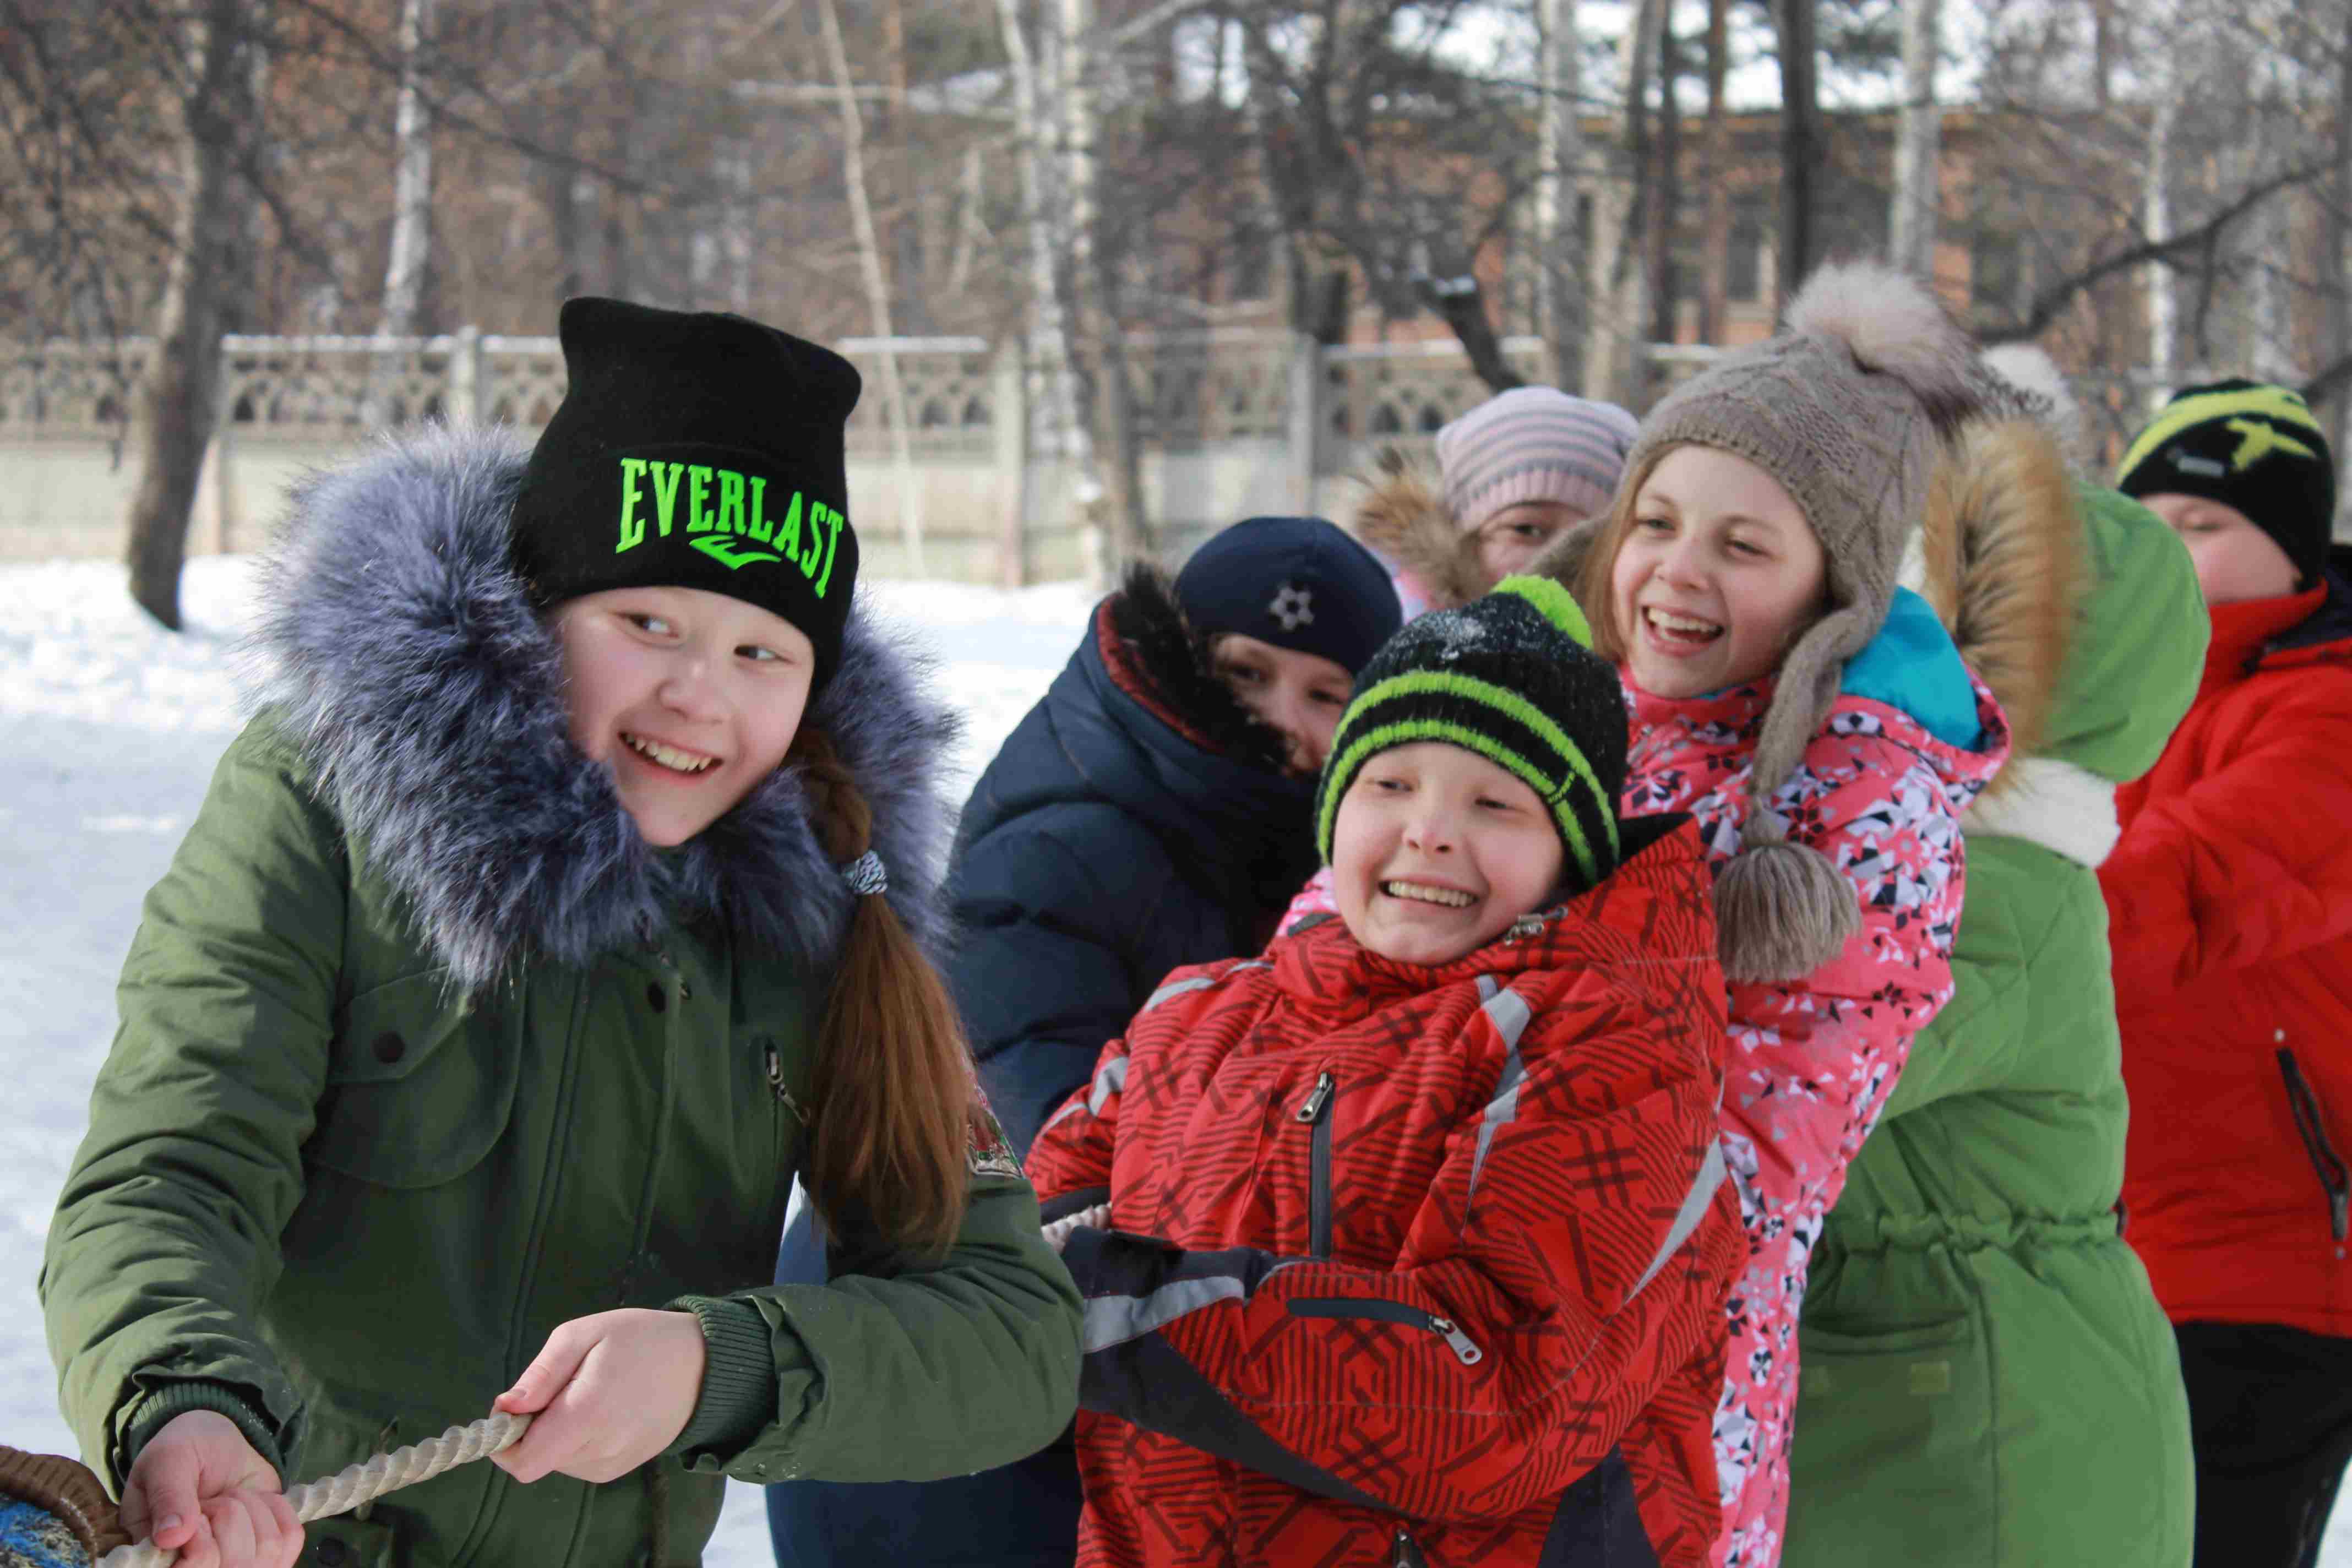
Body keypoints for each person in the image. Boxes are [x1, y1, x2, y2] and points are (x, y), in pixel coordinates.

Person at [39, 298, 1082, 1568]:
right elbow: (171, 1171)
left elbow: (1011, 1329)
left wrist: (716, 1367)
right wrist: (179, 1399)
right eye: (649, 624)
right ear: (537, 612)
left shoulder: (824, 904)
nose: (699, 694)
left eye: (763, 650)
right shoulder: (327, 799)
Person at [1026, 575, 1744, 1567]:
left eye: (1494, 802)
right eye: (1390, 785)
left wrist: (1098, 1308)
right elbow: (1026, 1226)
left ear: (1568, 855)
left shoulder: (1618, 1055)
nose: (1430, 830)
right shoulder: (1195, 1017)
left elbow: (1495, 1395)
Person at [764, 513, 1399, 1567]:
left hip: (1068, 1369)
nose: (1282, 720)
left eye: (1325, 693)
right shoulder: (1065, 850)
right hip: (943, 1377)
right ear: (1179, 659)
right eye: (1246, 673)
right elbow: (1043, 1166)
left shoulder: (1290, 846)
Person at [1533, 260, 2010, 1568]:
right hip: (1450, 1332)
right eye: (1656, 519)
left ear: (1832, 588)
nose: (1675, 570)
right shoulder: (1576, 713)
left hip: (1657, 1384)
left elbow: (1750, 1147)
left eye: (1742, 545)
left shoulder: (1861, 800)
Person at [1782, 374, 2202, 1567]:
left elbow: (1795, 1057)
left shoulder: (1991, 889)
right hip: (1959, 1397)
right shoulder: (1967, 865)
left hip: (1995, 1428)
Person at [2101, 379, 2352, 1568]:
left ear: (2293, 547)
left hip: (2276, 1261)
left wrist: (1977, 920)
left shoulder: (2328, 709)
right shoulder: (2115, 708)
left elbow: (2189, 884)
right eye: (2142, 523)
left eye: (2202, 524)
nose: (2165, 549)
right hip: (2124, 1245)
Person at [1354, 385, 1638, 613]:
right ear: (1460, 548)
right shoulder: (1399, 654)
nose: (1563, 560)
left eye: (1589, 540)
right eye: (1527, 530)